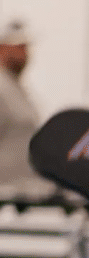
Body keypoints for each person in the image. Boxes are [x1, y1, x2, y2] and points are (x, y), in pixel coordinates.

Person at [0, 18, 49, 197]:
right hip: (5, 195)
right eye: (18, 47)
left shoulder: (20, 90)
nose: (25, 53)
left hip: (24, 196)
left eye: (25, 47)